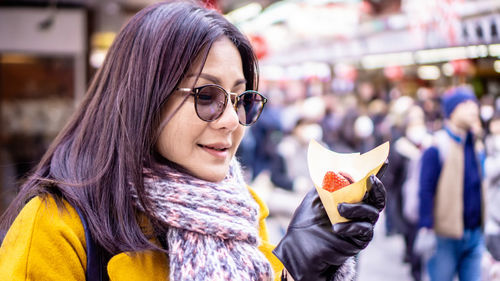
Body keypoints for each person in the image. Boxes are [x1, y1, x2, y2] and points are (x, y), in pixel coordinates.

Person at [0, 1, 387, 280]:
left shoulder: (236, 209)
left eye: (241, 99)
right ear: (143, 98)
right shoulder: (55, 227)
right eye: (206, 96)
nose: (232, 121)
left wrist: (297, 265)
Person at [418, 86, 485, 281]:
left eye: (474, 102)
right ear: (452, 110)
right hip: (443, 236)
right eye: (466, 103)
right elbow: (425, 189)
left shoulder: (475, 144)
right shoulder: (437, 145)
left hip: (474, 234)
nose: (474, 108)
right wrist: (426, 226)